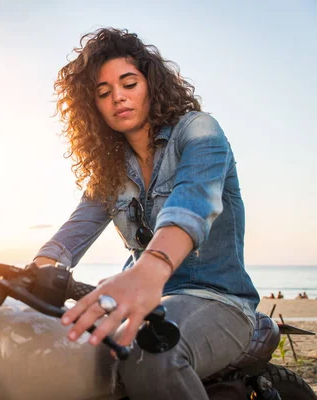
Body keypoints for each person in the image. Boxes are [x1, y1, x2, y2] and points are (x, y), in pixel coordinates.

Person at [33, 27, 259, 399]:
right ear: (95, 108)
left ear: (151, 84)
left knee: (146, 351)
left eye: (128, 83)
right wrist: (34, 270)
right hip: (143, 301)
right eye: (103, 93)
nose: (117, 97)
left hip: (219, 300)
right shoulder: (110, 169)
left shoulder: (198, 131)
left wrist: (150, 266)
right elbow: (73, 233)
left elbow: (193, 203)